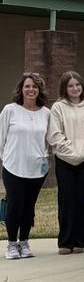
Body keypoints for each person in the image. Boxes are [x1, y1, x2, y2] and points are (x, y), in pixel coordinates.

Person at [2, 72, 50, 260]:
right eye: (27, 86)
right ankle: (12, 244)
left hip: (37, 169)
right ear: (21, 89)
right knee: (15, 204)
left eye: (35, 87)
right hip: (13, 166)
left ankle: (24, 241)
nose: (31, 90)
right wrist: (6, 159)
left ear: (39, 90)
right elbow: (1, 138)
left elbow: (47, 140)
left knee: (29, 206)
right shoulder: (10, 110)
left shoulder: (46, 113)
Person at [46, 71, 84, 255]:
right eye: (70, 85)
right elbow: (55, 135)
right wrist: (72, 153)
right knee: (66, 200)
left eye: (77, 85)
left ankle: (79, 241)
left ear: (82, 86)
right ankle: (65, 241)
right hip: (65, 160)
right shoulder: (57, 107)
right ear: (65, 88)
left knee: (82, 200)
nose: (74, 88)